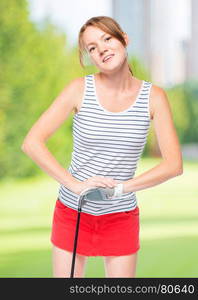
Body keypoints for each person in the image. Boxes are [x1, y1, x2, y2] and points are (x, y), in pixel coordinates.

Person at [21, 16, 183, 278]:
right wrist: (75, 185)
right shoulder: (78, 89)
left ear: (124, 39)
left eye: (107, 39)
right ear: (90, 57)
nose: (102, 49)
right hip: (73, 210)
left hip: (121, 215)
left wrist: (120, 189)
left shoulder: (154, 98)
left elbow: (173, 165)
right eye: (92, 48)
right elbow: (32, 142)